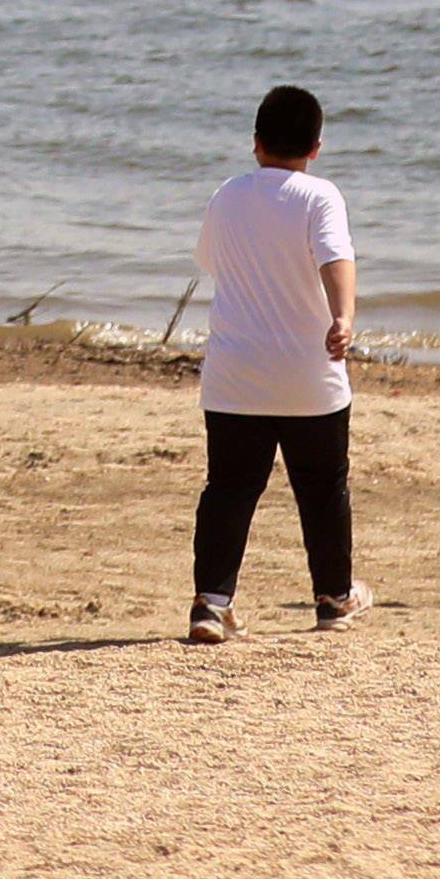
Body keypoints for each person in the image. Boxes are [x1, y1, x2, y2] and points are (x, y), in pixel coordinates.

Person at [182, 81, 359, 641]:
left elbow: (210, 260)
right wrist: (343, 318)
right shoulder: (320, 196)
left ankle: (211, 602)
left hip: (236, 372)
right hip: (309, 373)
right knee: (323, 489)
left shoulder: (227, 195)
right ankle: (332, 599)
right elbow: (336, 258)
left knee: (229, 489)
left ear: (256, 142)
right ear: (316, 147)